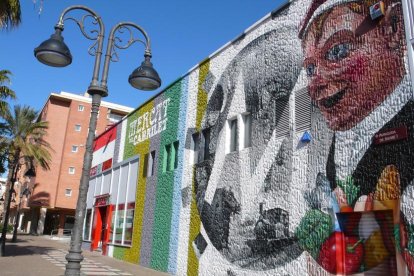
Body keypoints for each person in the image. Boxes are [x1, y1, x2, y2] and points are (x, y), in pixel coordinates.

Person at [296, 0, 414, 274]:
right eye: (310, 69)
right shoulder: (335, 145)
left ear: (394, 29)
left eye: (337, 51)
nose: (316, 83)